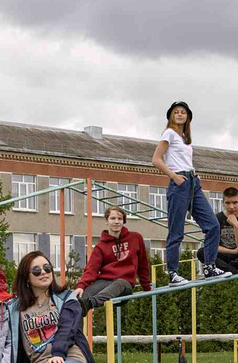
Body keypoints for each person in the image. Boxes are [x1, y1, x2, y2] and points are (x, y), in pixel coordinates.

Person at [153, 101, 219, 276]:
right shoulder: (169, 133)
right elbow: (156, 159)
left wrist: (194, 174)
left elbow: (183, 160)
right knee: (176, 232)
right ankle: (173, 273)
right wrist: (174, 176)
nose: (180, 114)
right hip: (179, 183)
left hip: (192, 183)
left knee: (212, 225)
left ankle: (209, 266)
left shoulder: (185, 139)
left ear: (188, 116)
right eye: (176, 112)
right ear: (171, 116)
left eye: (183, 112)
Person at [75, 204, 152, 331]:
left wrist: (146, 287)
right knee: (81, 297)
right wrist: (81, 286)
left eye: (119, 219)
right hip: (105, 281)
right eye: (112, 218)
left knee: (119, 283)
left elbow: (143, 264)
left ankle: (91, 303)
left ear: (123, 221)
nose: (116, 222)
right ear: (106, 221)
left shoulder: (135, 238)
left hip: (124, 284)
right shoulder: (101, 247)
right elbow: (91, 269)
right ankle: (71, 332)